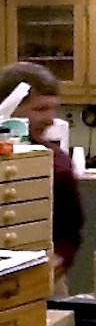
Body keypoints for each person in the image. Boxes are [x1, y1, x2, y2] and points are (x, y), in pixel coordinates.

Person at [0, 62, 84, 293]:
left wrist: (61, 257)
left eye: (52, 108)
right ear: (9, 108)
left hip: (43, 280)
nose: (50, 119)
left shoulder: (56, 163)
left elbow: (71, 229)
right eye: (40, 110)